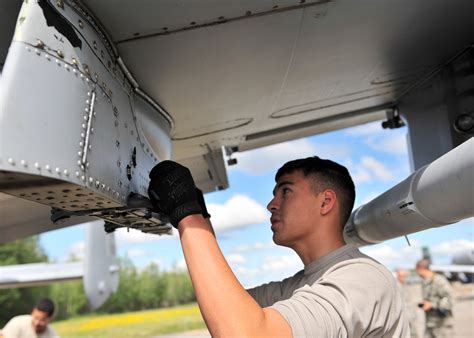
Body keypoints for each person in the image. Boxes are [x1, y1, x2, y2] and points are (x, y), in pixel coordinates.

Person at [148, 156, 409, 337]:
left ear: (326, 202)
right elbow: (228, 307)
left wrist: (187, 214)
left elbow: (246, 334)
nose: (271, 204)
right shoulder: (305, 282)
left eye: (285, 191)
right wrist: (201, 218)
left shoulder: (360, 279)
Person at [415, 259, 454, 338]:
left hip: (441, 325)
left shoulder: (438, 280)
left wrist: (432, 305)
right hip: (430, 324)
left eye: (416, 269)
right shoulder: (425, 281)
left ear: (420, 268)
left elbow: (450, 300)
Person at [396, 268, 419, 338]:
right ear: (397, 276)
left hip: (409, 317)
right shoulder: (396, 286)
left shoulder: (405, 285)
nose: (403, 278)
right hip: (403, 318)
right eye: (401, 276)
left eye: (404, 276)